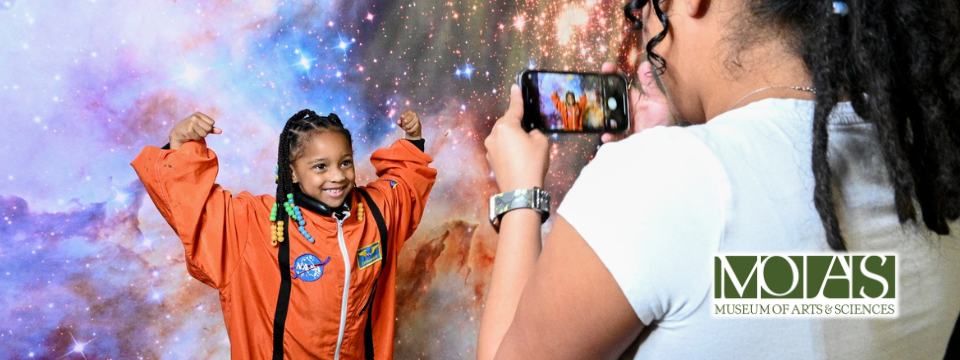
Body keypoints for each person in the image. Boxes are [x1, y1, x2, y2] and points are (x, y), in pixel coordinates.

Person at [479, 0, 960, 359]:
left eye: (642, 8)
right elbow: (813, 295)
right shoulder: (933, 178)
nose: (644, 28)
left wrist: (520, 197)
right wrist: (682, 151)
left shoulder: (657, 183)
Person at [131, 109, 436, 359]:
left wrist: (413, 141)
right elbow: (193, 207)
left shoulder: (374, 214)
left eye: (345, 163)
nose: (337, 176)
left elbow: (405, 188)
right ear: (291, 172)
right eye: (320, 166)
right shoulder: (254, 225)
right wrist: (180, 146)